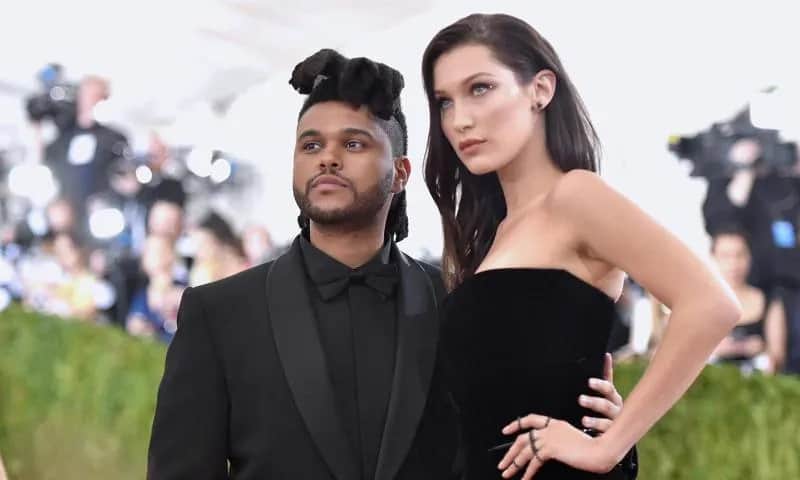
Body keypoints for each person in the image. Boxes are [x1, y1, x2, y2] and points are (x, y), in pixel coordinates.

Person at [147, 49, 632, 479]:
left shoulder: (462, 305)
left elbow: (511, 452)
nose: (328, 158)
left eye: (354, 144)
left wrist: (604, 444)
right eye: (311, 145)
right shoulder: (220, 314)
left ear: (400, 173)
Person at [422, 13, 740, 479]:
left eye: (480, 88)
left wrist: (609, 446)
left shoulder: (575, 196)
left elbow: (711, 304)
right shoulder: (495, 232)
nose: (460, 120)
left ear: (540, 90)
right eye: (445, 102)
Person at [709, 226, 786, 373]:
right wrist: (718, 349)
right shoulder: (701, 304)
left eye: (740, 255)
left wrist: (759, 349)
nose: (733, 264)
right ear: (713, 257)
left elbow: (777, 356)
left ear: (750, 257)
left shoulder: (769, 301)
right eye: (725, 256)